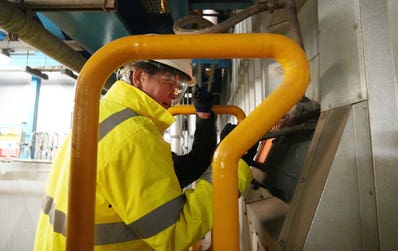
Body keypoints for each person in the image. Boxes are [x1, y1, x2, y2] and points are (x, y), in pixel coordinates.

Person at [33, 59, 253, 251]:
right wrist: (231, 166)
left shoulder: (105, 116)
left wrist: (205, 120)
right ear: (139, 77)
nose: (174, 94)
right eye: (169, 82)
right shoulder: (133, 134)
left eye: (179, 87)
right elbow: (175, 233)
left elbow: (183, 170)